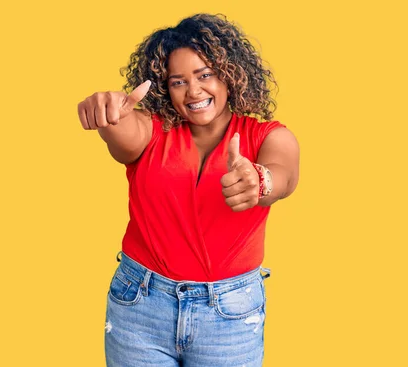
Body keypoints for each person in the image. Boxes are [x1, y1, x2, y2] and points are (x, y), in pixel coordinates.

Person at [76, 13, 300, 367]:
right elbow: (125, 136)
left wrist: (260, 180)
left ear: (231, 74)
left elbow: (282, 173)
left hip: (229, 315)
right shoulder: (153, 130)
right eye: (178, 81)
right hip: (141, 305)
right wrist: (109, 116)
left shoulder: (268, 136)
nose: (193, 91)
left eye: (205, 75)